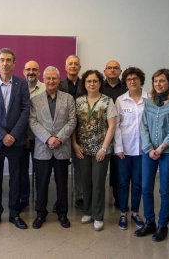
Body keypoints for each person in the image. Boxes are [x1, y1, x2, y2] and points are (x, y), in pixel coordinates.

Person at [0, 48, 30, 230]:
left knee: (16, 178)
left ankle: (14, 214)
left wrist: (13, 135)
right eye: (2, 60)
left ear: (14, 63)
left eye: (9, 60)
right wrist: (2, 135)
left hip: (16, 141)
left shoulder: (22, 84)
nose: (5, 63)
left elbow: (26, 111)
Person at [135, 69, 169, 242]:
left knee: (164, 190)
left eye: (162, 81)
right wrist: (149, 149)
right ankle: (150, 222)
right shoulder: (148, 102)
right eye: (155, 81)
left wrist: (161, 148)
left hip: (168, 153)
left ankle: (163, 225)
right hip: (148, 152)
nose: (158, 84)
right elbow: (144, 127)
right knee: (146, 187)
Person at [29, 66, 76, 229]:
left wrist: (59, 138)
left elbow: (72, 121)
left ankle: (62, 213)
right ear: (44, 79)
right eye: (48, 78)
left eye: (54, 78)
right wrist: (48, 138)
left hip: (62, 148)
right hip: (42, 148)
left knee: (62, 182)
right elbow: (33, 122)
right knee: (41, 183)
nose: (51, 81)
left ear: (58, 80)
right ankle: (40, 213)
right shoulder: (35, 99)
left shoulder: (68, 98)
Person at [73, 70, 117, 231]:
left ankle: (98, 216)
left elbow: (112, 126)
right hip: (82, 150)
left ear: (100, 83)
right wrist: (74, 145)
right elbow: (74, 125)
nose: (92, 84)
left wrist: (104, 148)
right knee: (85, 182)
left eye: (95, 81)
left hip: (101, 150)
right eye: (89, 81)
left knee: (98, 182)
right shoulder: (78, 102)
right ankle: (88, 212)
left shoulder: (107, 101)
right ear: (84, 84)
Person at [114, 67, 147, 230]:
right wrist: (118, 147)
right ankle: (123, 213)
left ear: (141, 80)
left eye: (135, 78)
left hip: (143, 150)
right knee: (122, 183)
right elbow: (117, 126)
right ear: (125, 82)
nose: (132, 81)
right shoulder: (120, 100)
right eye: (128, 79)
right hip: (124, 150)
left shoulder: (150, 99)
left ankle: (135, 212)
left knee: (138, 183)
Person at [58, 55, 84, 210]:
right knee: (60, 167)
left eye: (76, 64)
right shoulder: (59, 84)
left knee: (79, 166)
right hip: (62, 130)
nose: (73, 66)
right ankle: (60, 199)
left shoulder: (86, 83)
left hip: (81, 130)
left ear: (80, 67)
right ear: (65, 67)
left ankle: (80, 197)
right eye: (70, 64)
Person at [20, 60, 46, 210]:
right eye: (28, 69)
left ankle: (40, 199)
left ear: (39, 72)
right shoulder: (18, 88)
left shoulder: (45, 88)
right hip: (22, 136)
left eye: (34, 70)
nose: (31, 72)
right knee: (22, 169)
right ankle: (24, 198)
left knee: (40, 170)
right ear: (24, 71)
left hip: (40, 137)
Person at [102, 60, 127, 208]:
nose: (112, 70)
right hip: (101, 136)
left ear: (120, 71)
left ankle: (119, 199)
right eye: (109, 68)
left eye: (115, 68)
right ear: (104, 71)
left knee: (119, 171)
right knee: (100, 170)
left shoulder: (126, 89)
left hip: (121, 136)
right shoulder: (99, 86)